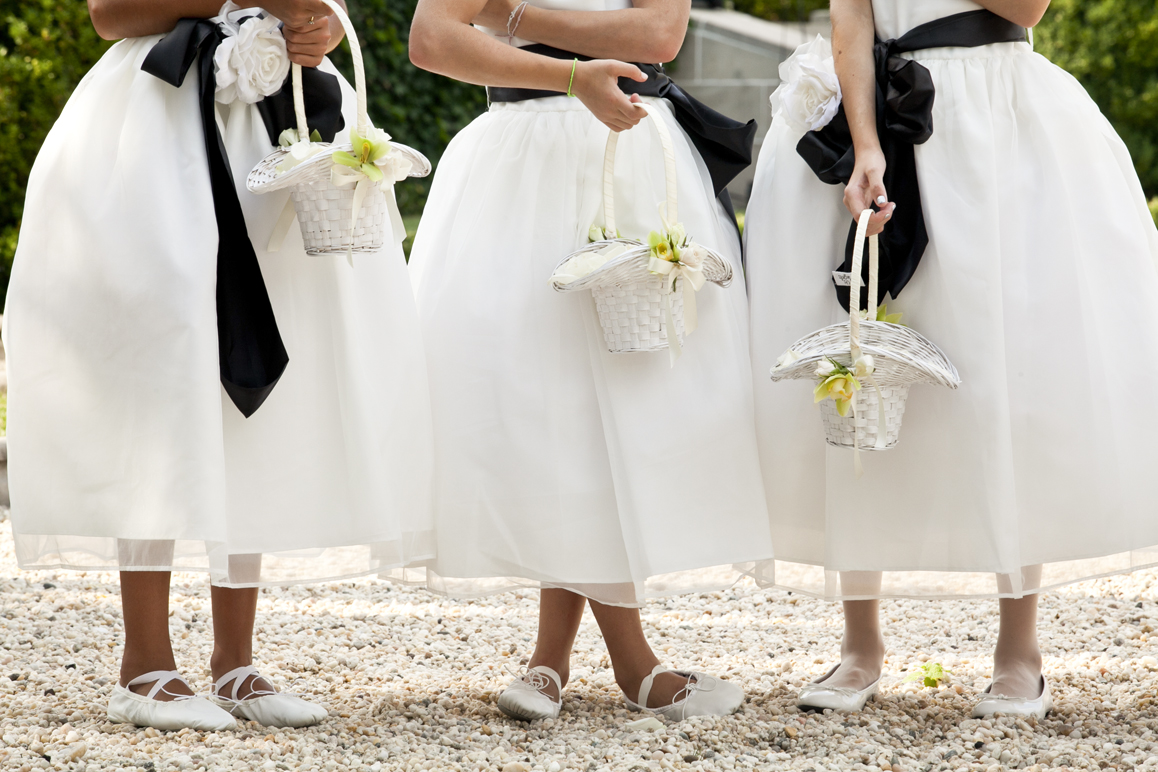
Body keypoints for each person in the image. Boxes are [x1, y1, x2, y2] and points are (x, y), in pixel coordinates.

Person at [4, 0, 434, 730]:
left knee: (273, 367)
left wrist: (321, 24)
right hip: (160, 131)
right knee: (161, 374)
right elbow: (111, 13)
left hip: (274, 123)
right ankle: (143, 664)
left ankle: (235, 663)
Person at [744, 0, 1158, 717]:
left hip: (994, 123)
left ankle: (1018, 649)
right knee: (859, 372)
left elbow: (1027, 8)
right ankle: (860, 646)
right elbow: (852, 22)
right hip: (882, 108)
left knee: (1007, 370)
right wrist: (866, 145)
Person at [403, 0, 773, 721]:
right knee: (547, 401)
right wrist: (572, 73)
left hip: (628, 151)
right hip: (517, 167)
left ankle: (561, 660)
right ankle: (617, 663)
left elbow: (657, 34)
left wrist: (511, 16)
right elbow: (431, 39)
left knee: (623, 400)